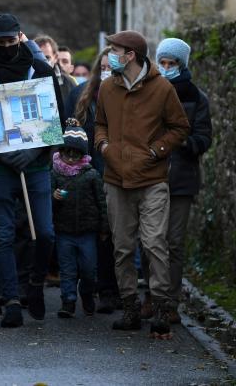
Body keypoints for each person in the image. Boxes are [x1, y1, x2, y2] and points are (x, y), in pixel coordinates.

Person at [0, 14, 64, 328]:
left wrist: (33, 151)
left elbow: (56, 117)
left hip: (36, 165)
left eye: (11, 40)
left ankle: (33, 283)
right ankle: (11, 300)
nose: (6, 46)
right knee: (4, 234)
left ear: (20, 37)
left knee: (44, 232)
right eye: (0, 41)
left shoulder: (41, 70)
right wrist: (5, 157)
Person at [94, 30, 190, 338]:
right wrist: (103, 146)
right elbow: (99, 124)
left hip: (151, 180)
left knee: (154, 244)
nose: (110, 55)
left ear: (130, 55)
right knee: (122, 248)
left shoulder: (162, 88)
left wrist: (155, 151)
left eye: (115, 50)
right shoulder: (107, 87)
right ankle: (131, 309)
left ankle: (161, 308)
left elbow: (180, 127)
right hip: (116, 180)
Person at [139, 38, 212, 324]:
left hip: (181, 179)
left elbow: (204, 137)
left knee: (174, 242)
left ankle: (170, 301)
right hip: (150, 175)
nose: (167, 68)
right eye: (163, 62)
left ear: (182, 65)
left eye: (173, 64)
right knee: (149, 240)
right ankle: (151, 296)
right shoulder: (148, 91)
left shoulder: (196, 97)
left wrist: (179, 142)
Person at [64, 47, 120, 314]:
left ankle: (110, 290)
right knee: (89, 235)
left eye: (114, 67)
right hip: (87, 176)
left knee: (111, 235)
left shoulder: (129, 96)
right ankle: (87, 288)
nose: (109, 72)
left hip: (116, 173)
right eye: (105, 67)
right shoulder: (80, 95)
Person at [51, 119, 107, 318]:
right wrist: (53, 196)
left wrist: (103, 228)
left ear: (83, 155)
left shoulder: (91, 175)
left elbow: (101, 202)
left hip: (87, 232)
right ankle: (68, 301)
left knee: (89, 268)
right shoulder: (55, 174)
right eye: (67, 153)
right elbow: (45, 199)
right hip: (63, 231)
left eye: (76, 154)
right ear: (61, 152)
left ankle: (87, 292)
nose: (71, 158)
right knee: (67, 269)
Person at [35, 34, 76, 106]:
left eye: (47, 58)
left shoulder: (68, 82)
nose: (41, 62)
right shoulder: (23, 80)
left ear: (56, 57)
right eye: (38, 58)